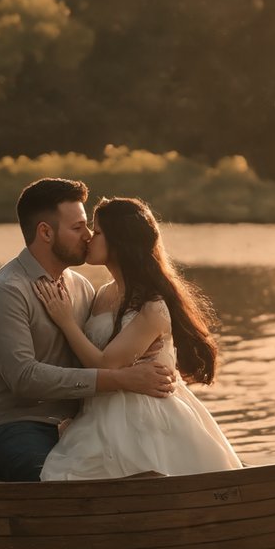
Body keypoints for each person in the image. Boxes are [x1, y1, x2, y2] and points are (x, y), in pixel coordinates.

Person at [0, 178, 178, 481]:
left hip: (78, 424)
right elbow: (24, 379)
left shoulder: (81, 288)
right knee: (56, 487)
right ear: (45, 232)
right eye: (78, 227)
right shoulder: (5, 292)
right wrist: (119, 379)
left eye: (89, 227)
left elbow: (106, 349)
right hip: (17, 425)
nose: (88, 236)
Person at [34, 196, 242, 481]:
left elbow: (106, 364)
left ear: (120, 242)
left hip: (144, 414)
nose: (89, 239)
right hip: (101, 410)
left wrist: (65, 321)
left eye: (98, 232)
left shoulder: (151, 305)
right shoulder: (103, 294)